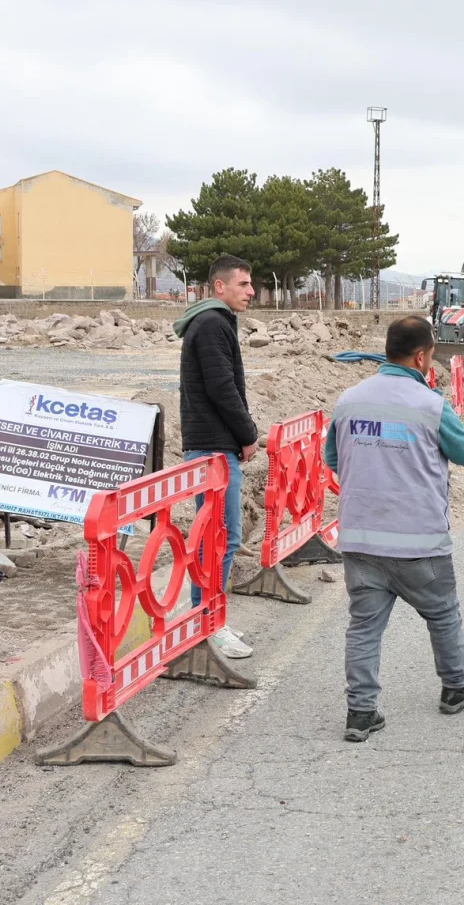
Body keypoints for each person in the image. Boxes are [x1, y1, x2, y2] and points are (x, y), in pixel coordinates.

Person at [324, 316, 464, 743]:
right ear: (423, 356)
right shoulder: (429, 404)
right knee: (442, 613)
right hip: (418, 541)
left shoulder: (349, 400)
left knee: (364, 626)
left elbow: (333, 458)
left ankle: (361, 712)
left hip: (361, 538)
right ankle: (455, 685)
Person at [174, 253, 260, 660]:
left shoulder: (214, 322)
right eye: (243, 284)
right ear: (220, 286)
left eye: (251, 284)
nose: (252, 291)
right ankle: (209, 623)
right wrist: (247, 434)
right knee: (220, 539)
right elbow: (222, 388)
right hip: (213, 447)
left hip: (213, 444)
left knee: (218, 538)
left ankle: (210, 617)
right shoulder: (211, 324)